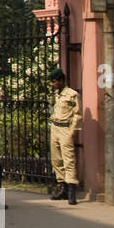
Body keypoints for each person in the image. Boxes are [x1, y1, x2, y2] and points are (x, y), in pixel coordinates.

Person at [48, 68, 83, 204]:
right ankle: (61, 187)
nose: (53, 84)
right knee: (56, 160)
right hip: (55, 127)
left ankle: (71, 190)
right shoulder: (56, 95)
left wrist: (72, 131)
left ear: (62, 80)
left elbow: (78, 114)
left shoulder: (72, 94)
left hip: (65, 129)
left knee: (68, 160)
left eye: (55, 81)